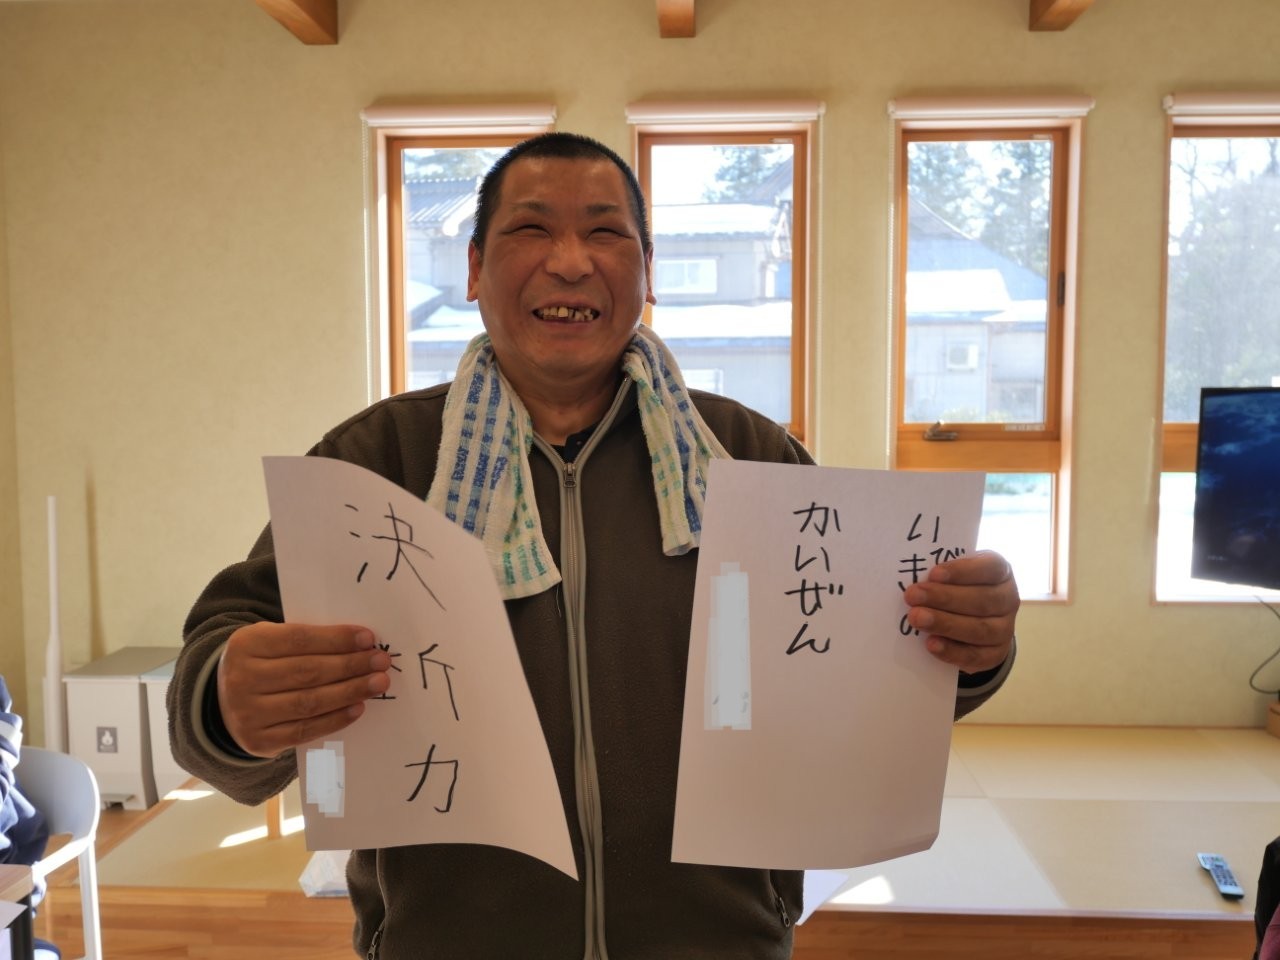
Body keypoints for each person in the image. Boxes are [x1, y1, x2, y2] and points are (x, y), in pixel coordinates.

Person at [169, 132, 1019, 960]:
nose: (571, 262)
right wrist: (229, 700)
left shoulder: (748, 457)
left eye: (606, 232)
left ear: (647, 272)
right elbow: (218, 661)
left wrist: (966, 643)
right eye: (532, 228)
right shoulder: (376, 460)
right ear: (474, 269)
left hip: (718, 942)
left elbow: (858, 669)